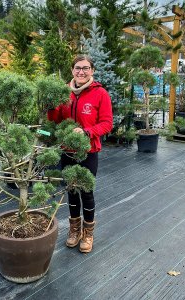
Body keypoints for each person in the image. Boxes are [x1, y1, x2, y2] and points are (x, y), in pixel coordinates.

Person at [48, 55, 113, 253]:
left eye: (85, 68)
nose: (81, 72)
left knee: (86, 192)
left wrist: (87, 132)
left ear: (92, 70)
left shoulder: (100, 94)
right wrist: (50, 106)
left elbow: (107, 123)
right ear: (72, 71)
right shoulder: (65, 93)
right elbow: (55, 119)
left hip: (88, 151)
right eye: (77, 68)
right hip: (66, 150)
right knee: (71, 191)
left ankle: (88, 233)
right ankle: (74, 230)